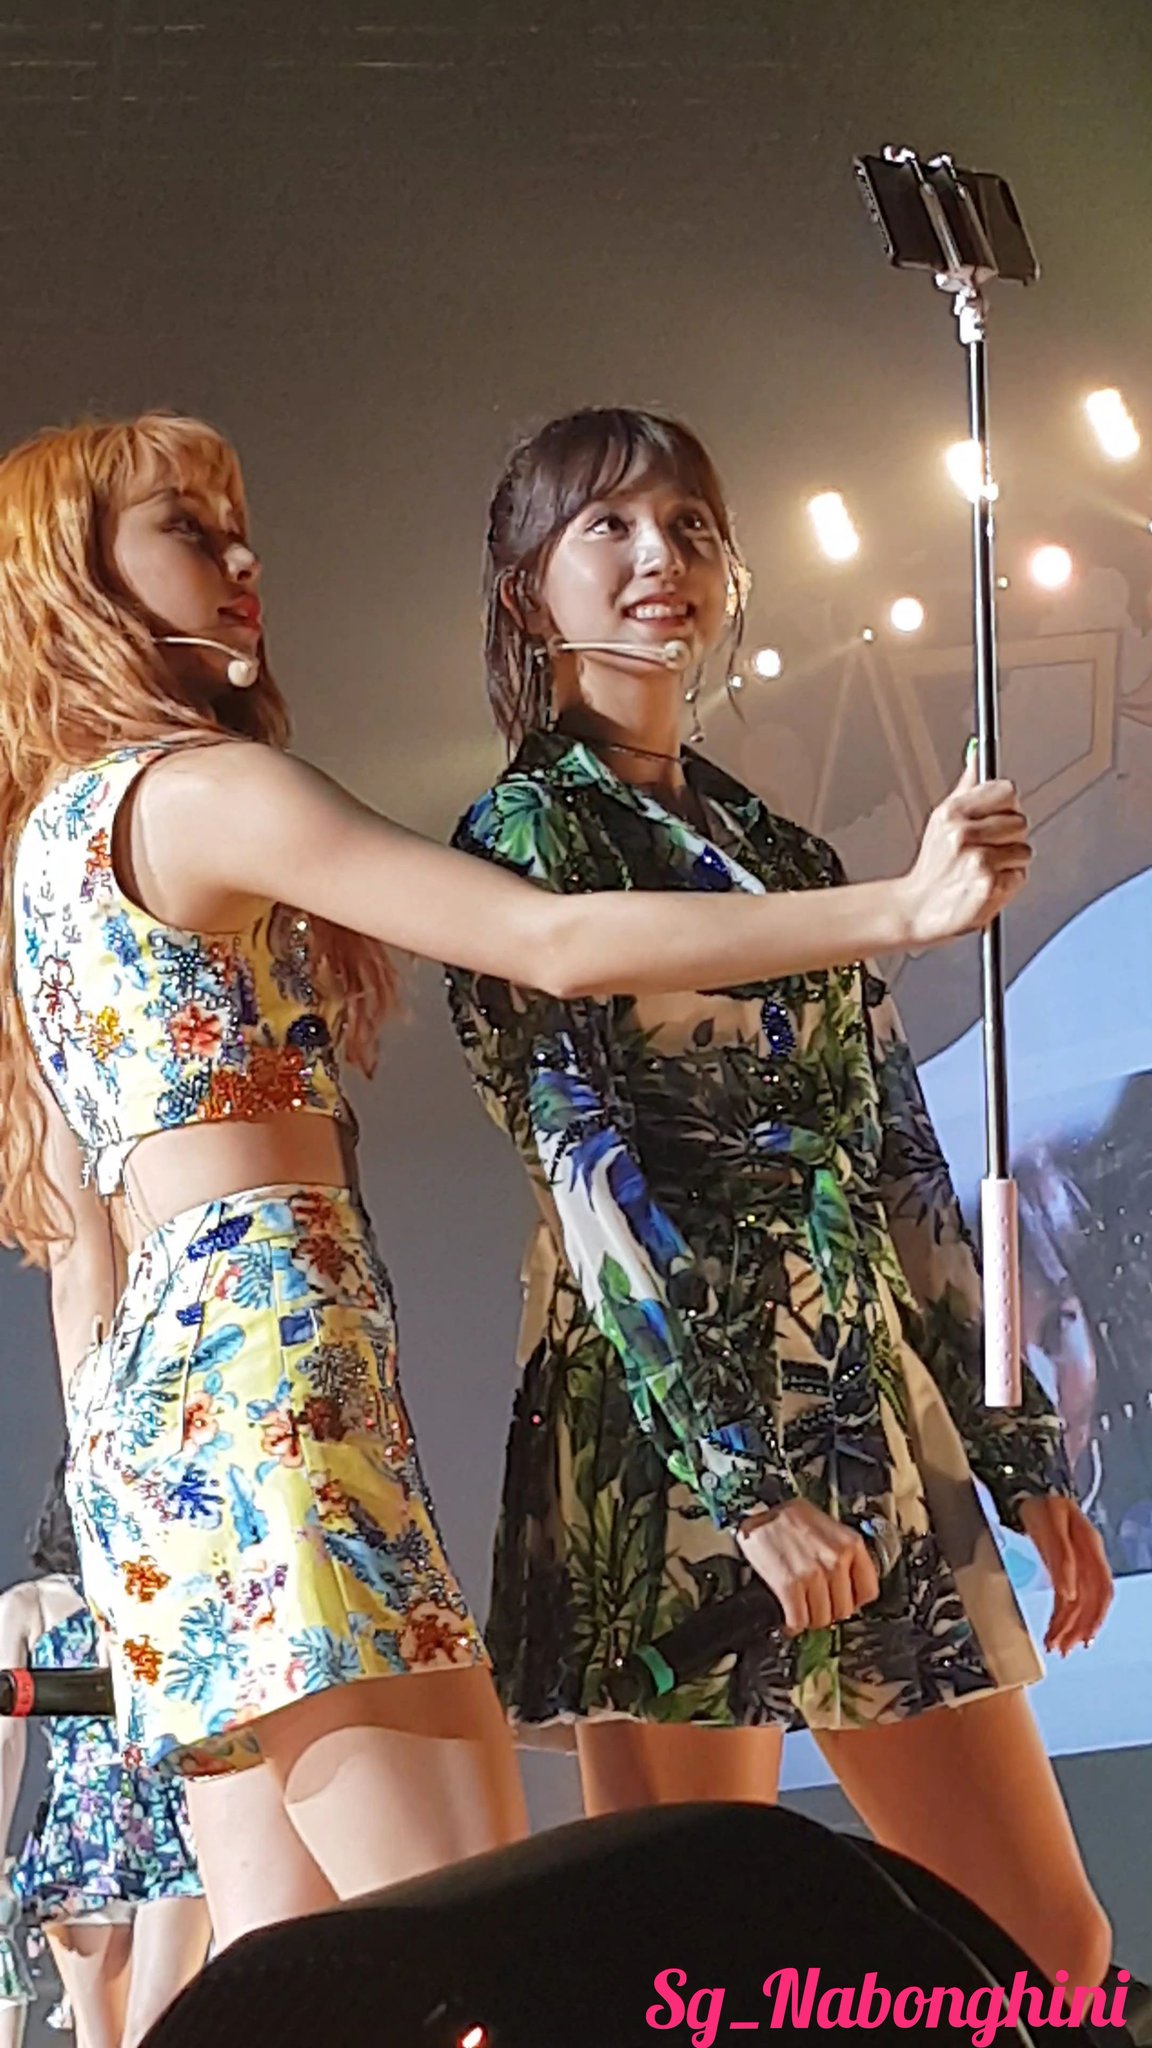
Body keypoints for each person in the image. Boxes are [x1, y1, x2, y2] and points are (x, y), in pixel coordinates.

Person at [0, 411, 1025, 1948]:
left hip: (161, 1427)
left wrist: (108, 1512)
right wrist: (902, 907)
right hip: (274, 1383)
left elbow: (74, 1236)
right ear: (74, 574)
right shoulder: (203, 792)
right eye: (186, 529)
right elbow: (547, 937)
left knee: (280, 1970)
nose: (242, 557)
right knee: (480, 1944)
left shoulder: (49, 843)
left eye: (232, 519)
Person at [445, 405, 1115, 1987]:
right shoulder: (524, 838)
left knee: (1049, 1945)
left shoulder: (780, 848)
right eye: (609, 526)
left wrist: (1018, 1454)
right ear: (528, 587)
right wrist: (742, 1482)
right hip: (667, 1438)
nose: (659, 556)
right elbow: (586, 1180)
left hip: (863, 1410)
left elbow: (900, 1168)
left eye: (689, 524)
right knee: (680, 1966)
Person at [0, 1462, 208, 2048]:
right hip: (163, 1820)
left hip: (90, 1827)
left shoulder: (30, 1605)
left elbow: (6, 1743)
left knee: (119, 2035)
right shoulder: (161, 1598)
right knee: (150, 2030)